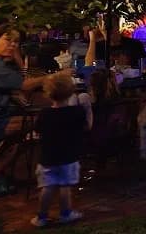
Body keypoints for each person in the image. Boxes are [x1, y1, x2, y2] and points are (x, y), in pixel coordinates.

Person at [0, 27, 62, 196]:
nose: (12, 45)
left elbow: (18, 83)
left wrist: (14, 93)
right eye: (8, 40)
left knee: (32, 122)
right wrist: (55, 77)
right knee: (39, 122)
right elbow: (25, 84)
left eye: (16, 42)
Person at [31, 72, 90, 227]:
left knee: (47, 188)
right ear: (71, 91)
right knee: (65, 186)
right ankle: (66, 214)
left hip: (47, 158)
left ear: (48, 93)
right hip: (69, 157)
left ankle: (41, 217)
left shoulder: (45, 114)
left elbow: (37, 131)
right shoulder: (77, 112)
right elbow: (85, 127)